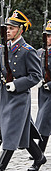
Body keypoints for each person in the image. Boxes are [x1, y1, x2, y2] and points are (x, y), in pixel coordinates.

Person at [0, 10, 46, 171]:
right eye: (7, 28)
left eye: (12, 28)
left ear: (21, 30)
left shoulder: (27, 50)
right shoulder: (1, 48)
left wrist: (17, 84)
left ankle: (0, 167)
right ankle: (39, 156)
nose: (8, 31)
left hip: (19, 97)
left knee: (11, 130)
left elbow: (36, 76)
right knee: (21, 131)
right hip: (4, 96)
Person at [35, 20, 51, 156]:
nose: (48, 38)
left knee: (45, 121)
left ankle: (39, 153)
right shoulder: (40, 52)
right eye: (46, 35)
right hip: (42, 93)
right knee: (43, 119)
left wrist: (48, 84)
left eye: (50, 36)